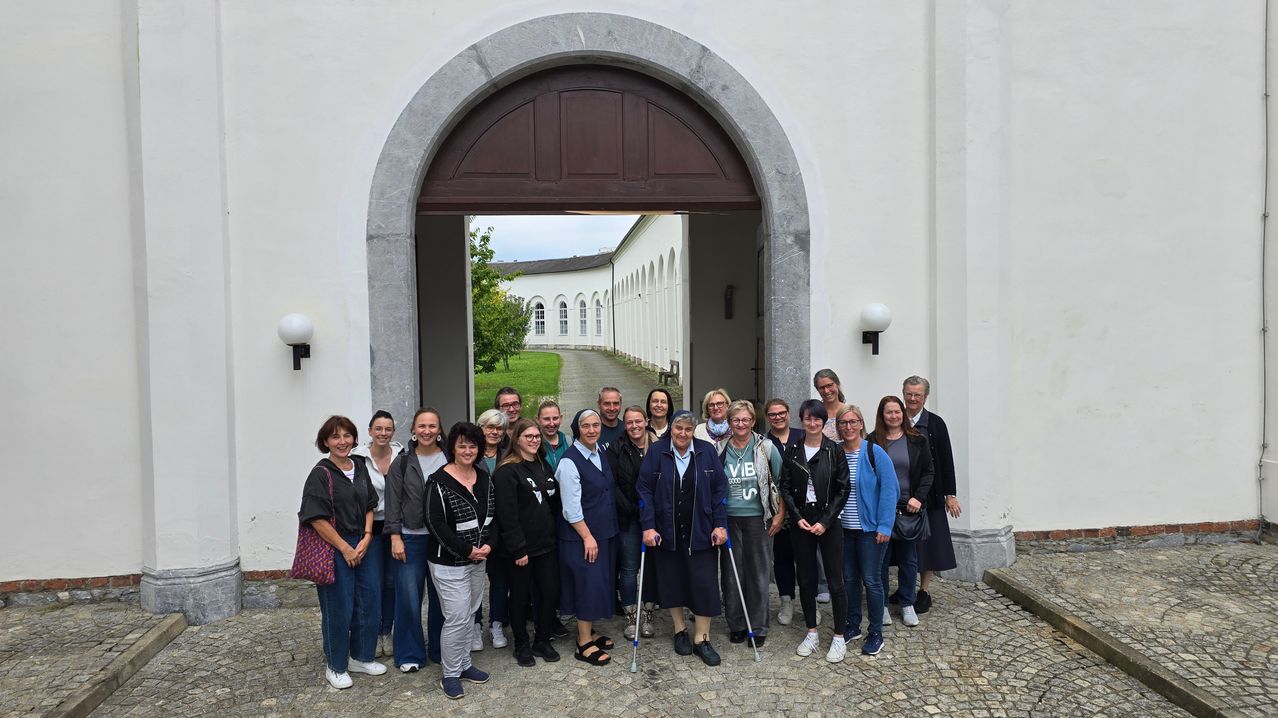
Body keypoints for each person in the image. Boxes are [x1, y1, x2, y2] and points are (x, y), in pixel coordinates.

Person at [297, 415, 386, 689]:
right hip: (335, 546)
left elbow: (371, 503)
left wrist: (368, 536)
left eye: (347, 436)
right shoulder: (320, 474)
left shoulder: (358, 466)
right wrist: (345, 547)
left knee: (369, 601)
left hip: (363, 543)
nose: (342, 441)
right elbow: (315, 518)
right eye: (335, 437)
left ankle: (361, 656)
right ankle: (335, 665)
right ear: (326, 441)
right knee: (339, 607)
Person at [637, 410, 729, 667]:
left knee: (704, 583)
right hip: (666, 531)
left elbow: (719, 490)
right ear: (671, 429)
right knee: (672, 581)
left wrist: (720, 525)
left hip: (701, 528)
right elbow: (644, 489)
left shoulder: (706, 451)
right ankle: (679, 631)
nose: (683, 434)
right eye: (678, 428)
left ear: (693, 431)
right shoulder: (657, 452)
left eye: (688, 429)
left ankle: (702, 638)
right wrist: (648, 526)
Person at [424, 422, 495, 700]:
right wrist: (466, 550)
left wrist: (490, 545)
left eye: (473, 445)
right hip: (448, 563)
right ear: (452, 447)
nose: (467, 450)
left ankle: (464, 664)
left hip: (479, 560)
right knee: (456, 616)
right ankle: (450, 674)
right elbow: (435, 524)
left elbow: (494, 516)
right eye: (462, 445)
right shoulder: (438, 481)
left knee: (470, 613)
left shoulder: (484, 477)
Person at [780, 399, 850, 662]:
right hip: (802, 521)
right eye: (808, 418)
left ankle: (839, 636)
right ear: (802, 420)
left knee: (835, 580)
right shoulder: (794, 450)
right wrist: (797, 518)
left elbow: (843, 488)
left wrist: (827, 520)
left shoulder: (834, 450)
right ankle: (811, 631)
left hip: (828, 520)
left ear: (823, 422)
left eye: (817, 419)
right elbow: (785, 486)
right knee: (806, 579)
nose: (812, 423)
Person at [491, 419, 563, 667]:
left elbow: (554, 504)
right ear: (517, 440)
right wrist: (518, 547)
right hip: (521, 549)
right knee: (521, 597)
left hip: (547, 545)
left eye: (536, 436)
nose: (534, 440)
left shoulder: (543, 465)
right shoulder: (507, 471)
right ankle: (521, 643)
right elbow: (507, 514)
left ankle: (542, 639)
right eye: (528, 436)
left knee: (549, 593)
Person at [384, 408, 448, 672]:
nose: (427, 431)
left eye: (432, 426)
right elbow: (393, 501)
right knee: (409, 598)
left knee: (441, 597)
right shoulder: (402, 461)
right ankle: (409, 653)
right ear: (413, 429)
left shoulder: (450, 458)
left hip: (442, 540)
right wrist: (395, 537)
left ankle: (441, 649)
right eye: (422, 426)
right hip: (410, 538)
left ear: (439, 430)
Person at [555, 409, 619, 666]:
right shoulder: (569, 462)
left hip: (603, 533)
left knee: (598, 584)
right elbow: (570, 508)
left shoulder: (598, 453)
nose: (592, 430)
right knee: (586, 586)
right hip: (583, 536)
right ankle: (583, 643)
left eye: (596, 425)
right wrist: (587, 537)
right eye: (586, 426)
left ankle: (589, 630)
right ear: (577, 429)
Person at [718, 400, 783, 648]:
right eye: (736, 420)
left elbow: (779, 482)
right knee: (732, 575)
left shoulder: (766, 448)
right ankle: (737, 624)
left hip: (759, 519)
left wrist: (779, 515)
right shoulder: (721, 448)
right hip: (730, 520)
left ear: (753, 421)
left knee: (758, 574)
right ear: (729, 423)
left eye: (746, 419)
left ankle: (758, 626)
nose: (741, 424)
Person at [834, 404, 898, 657]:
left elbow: (889, 490)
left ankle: (875, 632)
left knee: (871, 580)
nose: (848, 427)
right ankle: (852, 624)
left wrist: (885, 525)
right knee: (849, 579)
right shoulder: (836, 453)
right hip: (843, 529)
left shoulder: (875, 452)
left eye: (853, 422)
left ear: (861, 423)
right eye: (843, 423)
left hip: (870, 530)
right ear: (837, 427)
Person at [866, 395, 934, 629]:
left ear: (902, 414)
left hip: (908, 508)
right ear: (881, 415)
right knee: (881, 560)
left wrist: (919, 497)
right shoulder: (872, 441)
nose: (893, 416)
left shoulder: (917, 440)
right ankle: (882, 604)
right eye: (888, 412)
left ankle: (907, 603)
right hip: (880, 510)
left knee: (908, 559)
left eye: (897, 412)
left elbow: (928, 472)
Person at [903, 376, 961, 614]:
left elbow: (946, 460)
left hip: (931, 495)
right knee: (904, 545)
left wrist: (951, 494)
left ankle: (923, 591)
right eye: (909, 394)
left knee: (929, 546)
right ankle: (905, 588)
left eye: (917, 395)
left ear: (925, 397)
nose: (913, 399)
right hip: (903, 495)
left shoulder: (936, 424)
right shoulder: (894, 419)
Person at [350, 410, 403, 657]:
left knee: (392, 583)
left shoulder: (402, 456)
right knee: (372, 583)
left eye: (388, 429)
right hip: (369, 529)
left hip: (396, 528)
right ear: (370, 431)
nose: (383, 433)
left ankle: (386, 632)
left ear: (393, 432)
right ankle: (368, 633)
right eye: (378, 429)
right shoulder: (358, 459)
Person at [606, 406, 654, 639]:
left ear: (646, 421)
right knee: (629, 568)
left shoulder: (659, 445)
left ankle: (647, 613)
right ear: (625, 425)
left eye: (638, 421)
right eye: (629, 422)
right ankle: (630, 615)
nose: (634, 426)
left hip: (656, 519)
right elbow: (612, 485)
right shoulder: (616, 448)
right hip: (629, 517)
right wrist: (633, 509)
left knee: (652, 568)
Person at [763, 398, 803, 626]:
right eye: (772, 414)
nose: (778, 417)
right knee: (783, 558)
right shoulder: (764, 442)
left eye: (781, 413)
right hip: (778, 511)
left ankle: (810, 602)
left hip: (805, 510)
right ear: (767, 418)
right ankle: (786, 601)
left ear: (789, 414)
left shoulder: (803, 436)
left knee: (807, 560)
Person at [475, 408, 510, 648]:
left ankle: (497, 623)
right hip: (475, 526)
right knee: (474, 581)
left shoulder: (508, 454)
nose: (494, 432)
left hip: (502, 526)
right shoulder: (470, 453)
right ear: (481, 428)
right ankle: (474, 625)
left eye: (499, 428)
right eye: (490, 427)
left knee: (499, 579)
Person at [536, 400, 571, 471]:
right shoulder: (534, 444)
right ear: (538, 420)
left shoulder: (570, 442)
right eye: (546, 419)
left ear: (561, 419)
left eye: (555, 418)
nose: (551, 424)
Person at [812, 368, 846, 441]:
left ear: (838, 384)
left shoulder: (850, 411)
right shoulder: (814, 413)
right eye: (821, 388)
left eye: (829, 385)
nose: (826, 391)